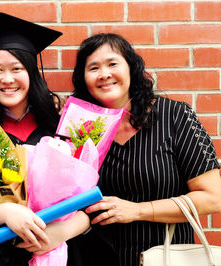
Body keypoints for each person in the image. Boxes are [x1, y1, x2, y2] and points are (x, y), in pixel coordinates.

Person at [0, 12, 91, 266]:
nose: (7, 79)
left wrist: (61, 232)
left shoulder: (64, 130)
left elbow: (92, 204)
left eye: (17, 69)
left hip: (61, 257)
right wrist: (4, 212)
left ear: (32, 72)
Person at [70, 33, 221, 266]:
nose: (104, 74)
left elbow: (214, 198)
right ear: (83, 79)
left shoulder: (174, 116)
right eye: (93, 68)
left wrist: (137, 211)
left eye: (112, 64)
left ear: (131, 68)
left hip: (165, 257)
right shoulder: (81, 128)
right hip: (99, 257)